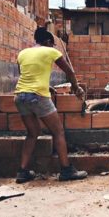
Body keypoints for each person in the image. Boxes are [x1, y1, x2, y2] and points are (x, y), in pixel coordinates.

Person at [14, 27, 88, 183]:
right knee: (58, 131)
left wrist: (46, 87)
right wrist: (76, 88)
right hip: (38, 97)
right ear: (48, 42)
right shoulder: (50, 51)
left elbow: (27, 76)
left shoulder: (22, 53)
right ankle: (66, 170)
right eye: (52, 44)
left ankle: (22, 172)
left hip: (20, 96)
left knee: (32, 133)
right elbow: (69, 72)